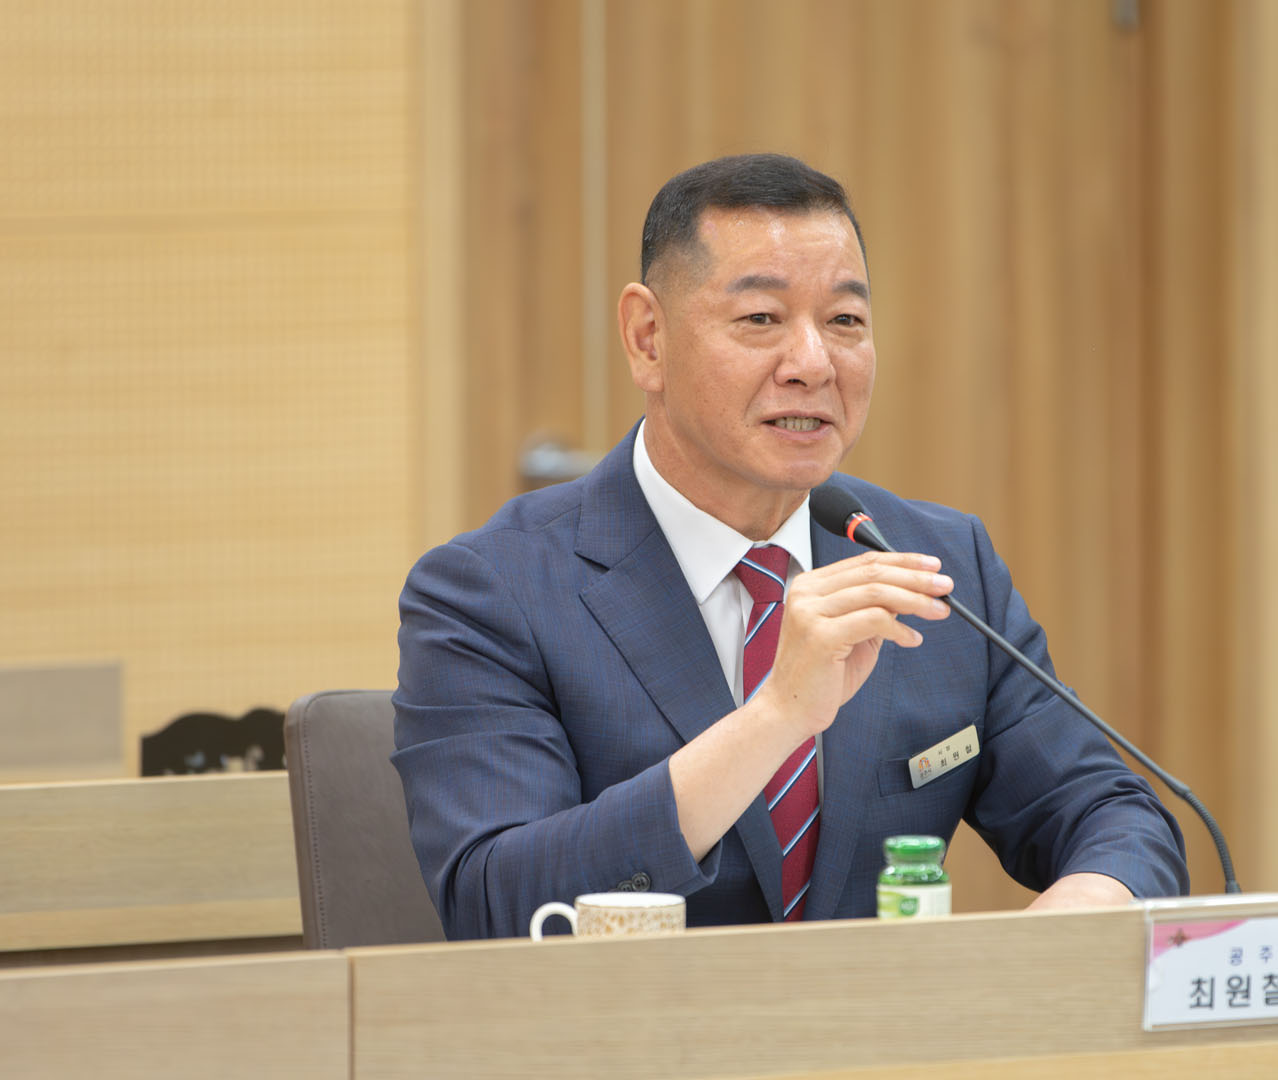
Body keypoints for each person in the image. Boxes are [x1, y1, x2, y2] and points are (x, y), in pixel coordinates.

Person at [393, 153, 1188, 939]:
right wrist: (774, 717)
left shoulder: (936, 565)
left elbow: (1116, 817)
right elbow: (497, 901)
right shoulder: (491, 592)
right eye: (760, 320)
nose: (813, 364)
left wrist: (1071, 919)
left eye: (845, 322)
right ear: (648, 339)